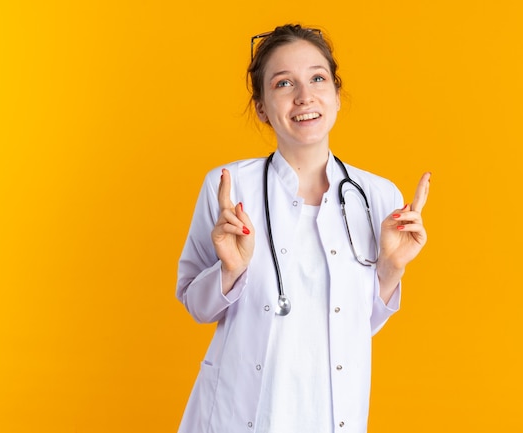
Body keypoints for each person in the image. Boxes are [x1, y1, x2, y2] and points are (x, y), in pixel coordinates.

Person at [176, 23, 430, 433]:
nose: (304, 97)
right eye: (283, 83)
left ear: (335, 92)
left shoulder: (377, 198)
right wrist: (229, 270)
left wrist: (391, 270)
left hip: (328, 415)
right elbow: (196, 305)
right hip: (237, 414)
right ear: (261, 107)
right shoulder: (229, 188)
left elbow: (355, 324)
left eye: (317, 78)